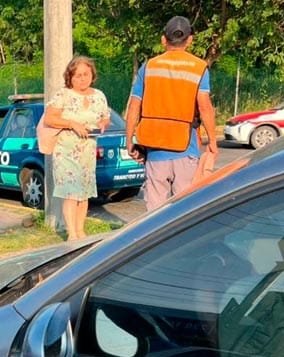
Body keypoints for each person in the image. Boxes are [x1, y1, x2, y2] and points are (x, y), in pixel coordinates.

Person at [125, 16, 218, 211]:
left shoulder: (149, 67)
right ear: (190, 40)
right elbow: (205, 107)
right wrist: (213, 141)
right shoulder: (199, 68)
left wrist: (129, 140)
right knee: (184, 210)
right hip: (186, 148)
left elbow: (134, 106)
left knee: (155, 212)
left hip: (155, 149)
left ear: (163, 40)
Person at [43, 55, 111, 240]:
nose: (82, 78)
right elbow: (49, 118)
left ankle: (81, 230)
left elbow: (105, 116)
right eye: (78, 75)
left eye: (86, 74)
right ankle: (72, 233)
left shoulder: (99, 96)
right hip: (66, 152)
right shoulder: (63, 95)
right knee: (71, 192)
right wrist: (72, 124)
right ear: (70, 77)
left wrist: (104, 123)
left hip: (88, 151)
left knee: (85, 193)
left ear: (92, 75)